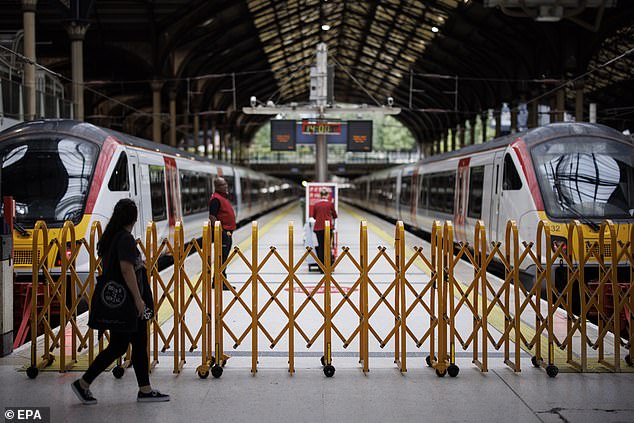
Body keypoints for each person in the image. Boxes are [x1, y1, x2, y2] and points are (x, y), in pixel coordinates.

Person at [71, 199, 169, 405]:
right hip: (128, 302)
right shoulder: (125, 238)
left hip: (118, 301)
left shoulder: (111, 237)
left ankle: (86, 383)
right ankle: (142, 390)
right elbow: (126, 270)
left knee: (121, 346)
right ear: (133, 218)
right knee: (134, 344)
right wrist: (139, 300)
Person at [209, 176, 236, 290]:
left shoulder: (222, 197)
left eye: (226, 184)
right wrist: (221, 232)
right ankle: (220, 282)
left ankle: (219, 281)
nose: (226, 186)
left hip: (227, 232)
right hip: (223, 233)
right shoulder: (216, 199)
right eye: (223, 185)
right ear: (217, 187)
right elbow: (212, 216)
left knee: (223, 258)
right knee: (222, 258)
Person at [311, 189, 337, 272]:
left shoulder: (316, 204)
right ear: (327, 195)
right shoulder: (330, 204)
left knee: (321, 247)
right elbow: (335, 215)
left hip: (318, 228)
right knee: (328, 246)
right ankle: (328, 266)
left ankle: (321, 267)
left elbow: (314, 216)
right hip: (328, 227)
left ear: (320, 195)